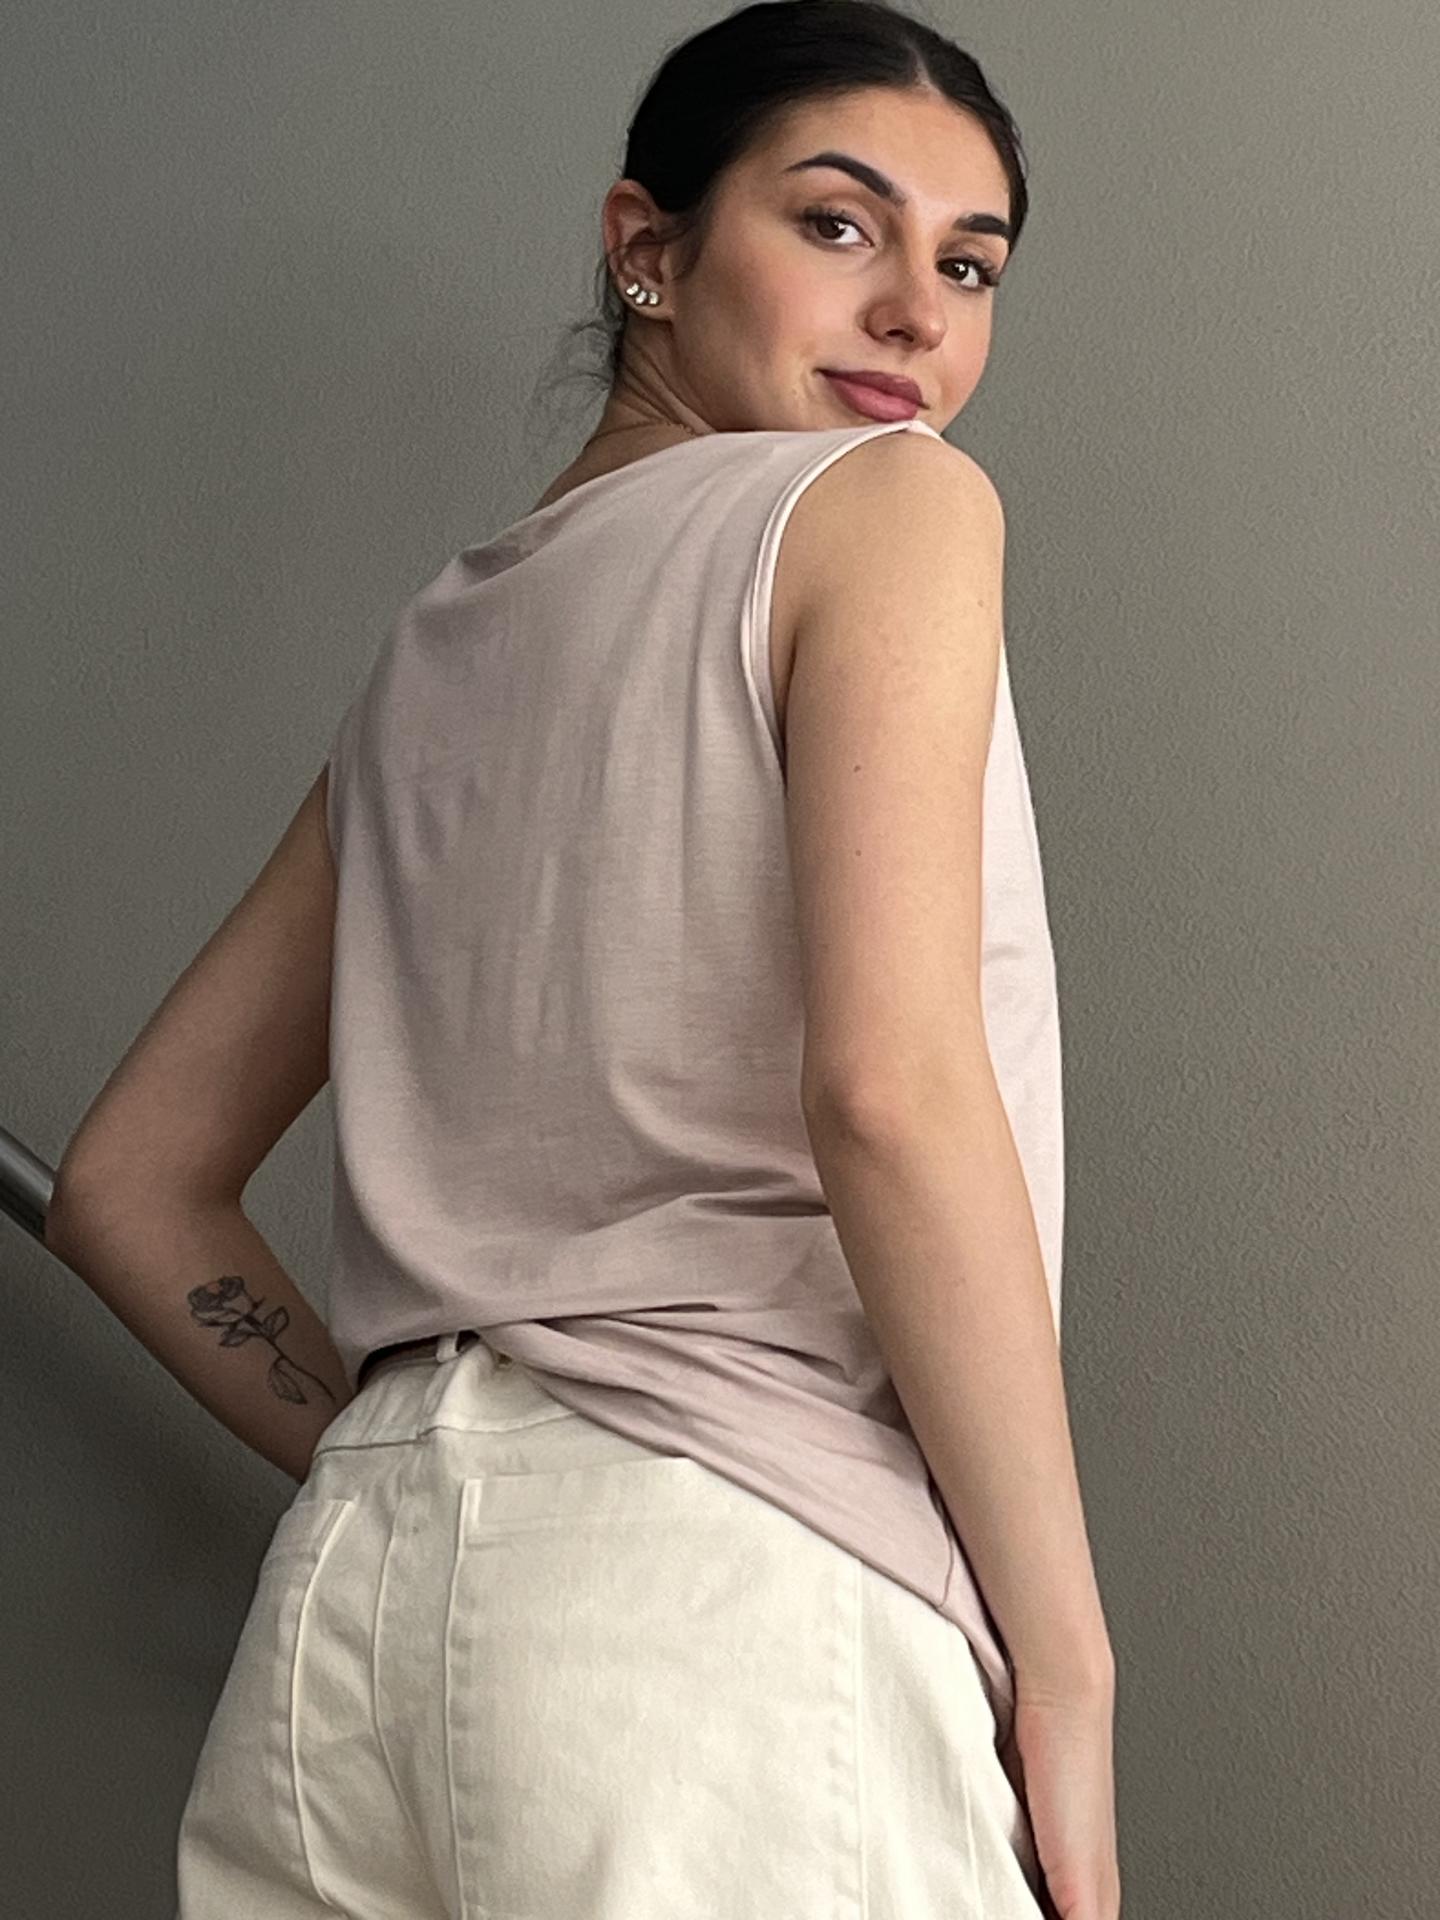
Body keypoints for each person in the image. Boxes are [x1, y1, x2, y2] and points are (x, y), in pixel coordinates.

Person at [151, 2, 1117, 1913]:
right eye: (838, 223)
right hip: (715, 1601)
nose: (916, 313)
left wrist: (405, 1459)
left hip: (343, 1629)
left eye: (969, 264)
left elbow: (133, 1178)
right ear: (646, 246)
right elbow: (891, 1093)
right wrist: (1067, 1667)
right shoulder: (888, 504)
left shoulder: (432, 657)